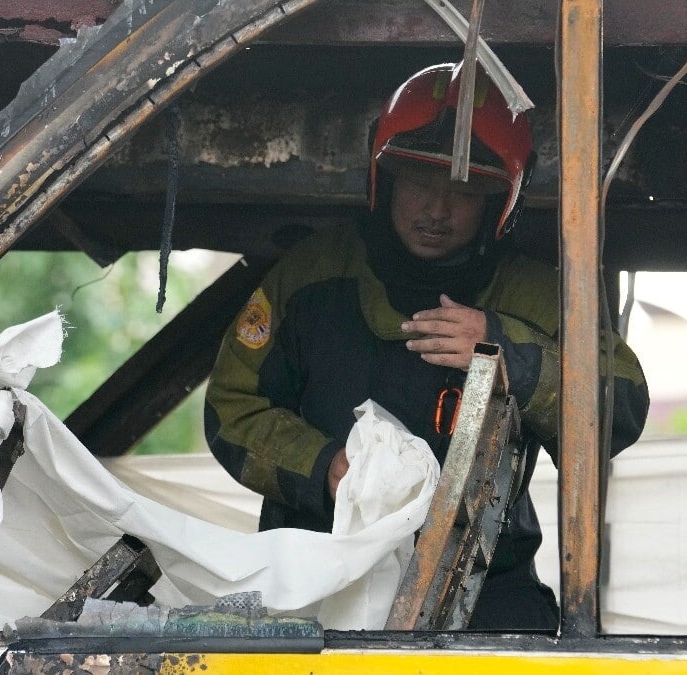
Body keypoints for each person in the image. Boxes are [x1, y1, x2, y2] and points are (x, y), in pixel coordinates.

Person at [204, 62, 650, 630]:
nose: (436, 211)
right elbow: (232, 408)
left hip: (488, 594)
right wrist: (325, 470)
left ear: (501, 199)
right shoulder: (310, 276)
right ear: (383, 178)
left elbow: (623, 407)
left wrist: (507, 351)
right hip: (319, 580)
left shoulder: (536, 298)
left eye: (464, 192)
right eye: (417, 183)